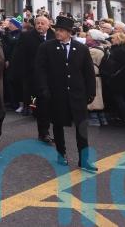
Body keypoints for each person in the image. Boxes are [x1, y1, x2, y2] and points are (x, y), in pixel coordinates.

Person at [34, 15, 97, 172]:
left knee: (81, 127)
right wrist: (44, 89)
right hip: (57, 93)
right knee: (58, 125)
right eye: (57, 30)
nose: (58, 33)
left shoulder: (81, 48)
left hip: (77, 94)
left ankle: (84, 160)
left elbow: (88, 72)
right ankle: (61, 154)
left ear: (70, 33)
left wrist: (91, 92)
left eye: (62, 31)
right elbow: (40, 70)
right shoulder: (46, 47)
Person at [12, 15, 54, 144]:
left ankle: (48, 131)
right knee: (38, 104)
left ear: (48, 25)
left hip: (52, 78)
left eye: (42, 23)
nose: (40, 25)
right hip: (33, 78)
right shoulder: (26, 36)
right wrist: (22, 74)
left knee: (49, 106)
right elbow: (19, 56)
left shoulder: (54, 36)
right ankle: (43, 132)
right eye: (38, 23)